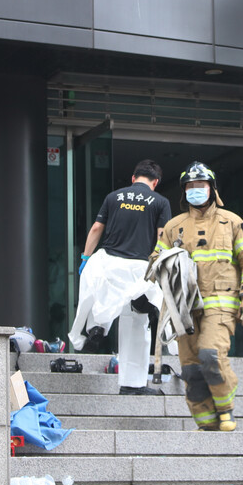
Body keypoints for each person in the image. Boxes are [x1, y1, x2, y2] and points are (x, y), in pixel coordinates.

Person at [153, 161, 243, 431]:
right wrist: (165, 261)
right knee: (190, 369)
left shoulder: (232, 222)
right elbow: (155, 261)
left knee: (210, 356)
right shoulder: (173, 227)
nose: (195, 190)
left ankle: (225, 409)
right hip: (184, 310)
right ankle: (205, 423)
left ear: (212, 189)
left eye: (200, 186)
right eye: (190, 187)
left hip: (221, 306)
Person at [68, 159, 171, 395]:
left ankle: (98, 328)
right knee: (136, 322)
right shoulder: (160, 202)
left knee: (100, 296)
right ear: (155, 182)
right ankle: (131, 384)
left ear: (133, 179)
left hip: (108, 262)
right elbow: (162, 236)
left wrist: (85, 258)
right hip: (138, 268)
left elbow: (96, 228)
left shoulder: (113, 197)